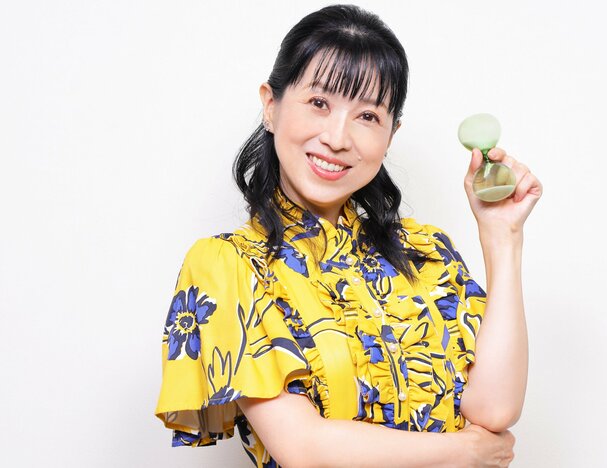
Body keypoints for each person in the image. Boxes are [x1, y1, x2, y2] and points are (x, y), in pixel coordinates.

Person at [155, 4, 542, 467]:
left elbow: (495, 410)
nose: (338, 138)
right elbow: (304, 450)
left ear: (391, 135)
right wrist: (466, 452)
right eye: (319, 103)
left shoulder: (425, 252)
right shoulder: (230, 265)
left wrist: (502, 236)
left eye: (368, 116)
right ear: (271, 106)